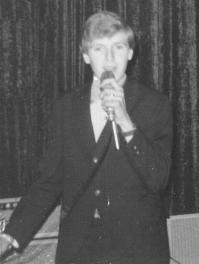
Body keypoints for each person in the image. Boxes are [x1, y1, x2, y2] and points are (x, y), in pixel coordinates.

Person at [0, 11, 173, 264]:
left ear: (130, 53)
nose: (110, 58)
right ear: (85, 56)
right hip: (79, 248)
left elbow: (159, 178)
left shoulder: (155, 104)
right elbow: (49, 180)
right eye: (99, 49)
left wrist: (125, 120)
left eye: (118, 46)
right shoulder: (67, 108)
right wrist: (11, 236)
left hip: (137, 248)